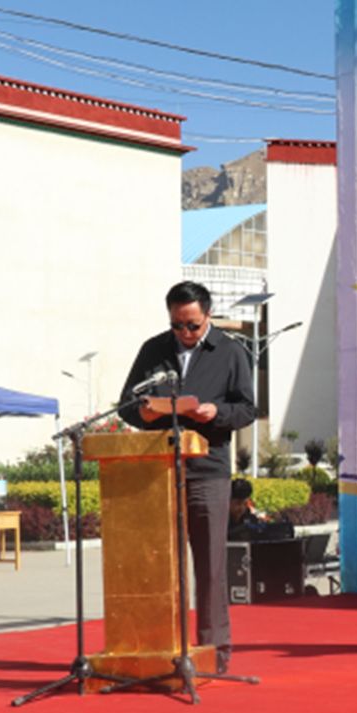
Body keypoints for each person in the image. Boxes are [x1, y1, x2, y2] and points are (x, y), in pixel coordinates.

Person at [119, 281, 256, 673]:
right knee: (164, 565)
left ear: (208, 315)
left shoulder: (230, 351)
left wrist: (217, 413)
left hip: (208, 469)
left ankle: (215, 652)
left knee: (210, 566)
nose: (185, 332)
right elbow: (126, 404)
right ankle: (165, 648)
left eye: (192, 325)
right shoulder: (153, 349)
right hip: (160, 469)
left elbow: (247, 408)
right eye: (177, 325)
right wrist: (142, 413)